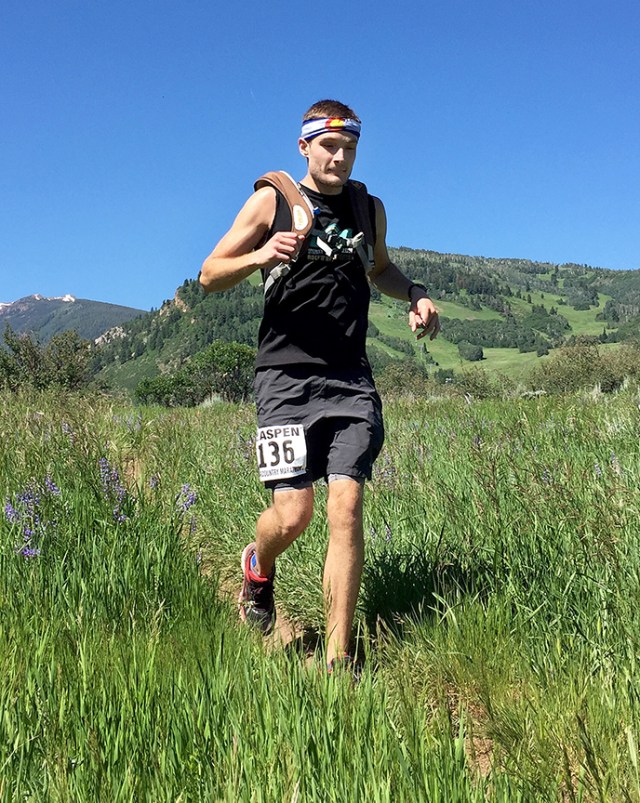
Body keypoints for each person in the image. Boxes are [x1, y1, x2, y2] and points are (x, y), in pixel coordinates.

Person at [199, 99, 440, 670]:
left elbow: (380, 269)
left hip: (350, 378)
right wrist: (261, 253)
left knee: (347, 506)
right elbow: (209, 274)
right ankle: (258, 566)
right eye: (329, 146)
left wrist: (414, 293)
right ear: (304, 146)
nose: (339, 157)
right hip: (283, 379)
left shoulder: (367, 208)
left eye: (349, 148)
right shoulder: (273, 200)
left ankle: (338, 657)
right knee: (293, 514)